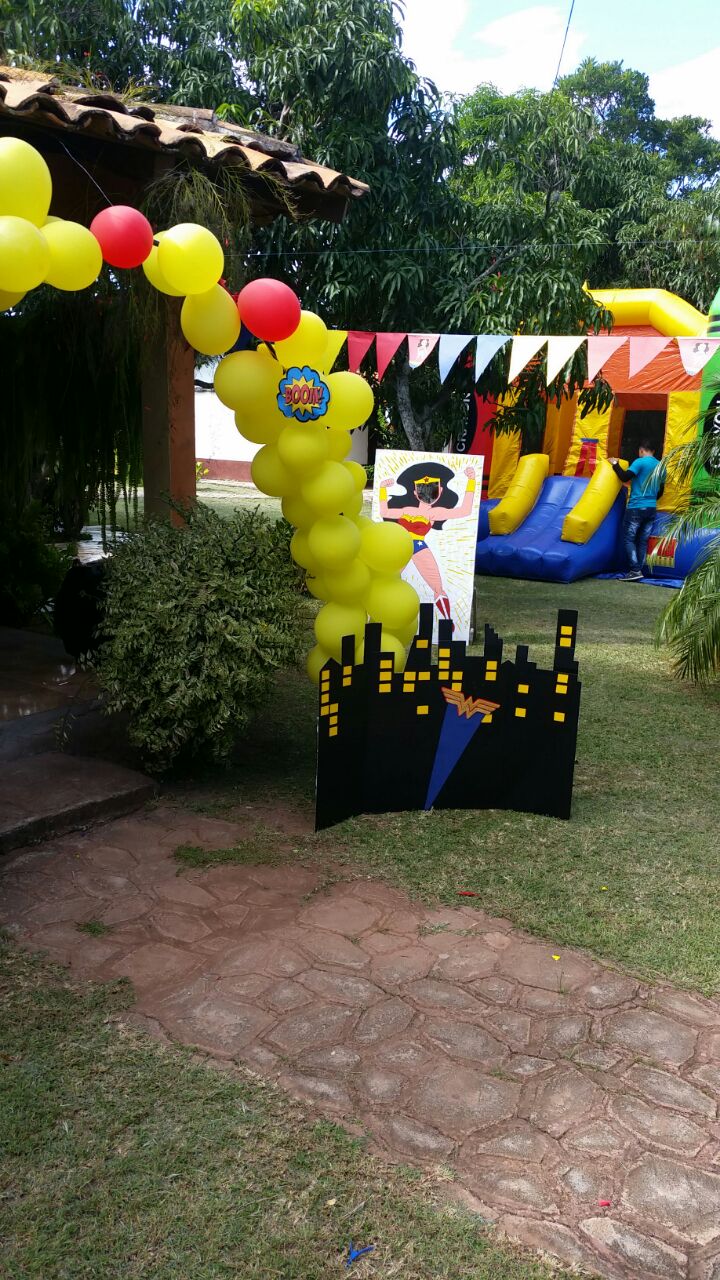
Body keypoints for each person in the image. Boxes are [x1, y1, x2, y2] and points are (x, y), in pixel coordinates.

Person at [378, 461, 476, 621]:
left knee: (437, 586)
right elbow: (384, 512)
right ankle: (380, 614)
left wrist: (471, 481)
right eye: (422, 489)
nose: (427, 493)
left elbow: (465, 511)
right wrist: (382, 489)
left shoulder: (435, 513)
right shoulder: (407, 510)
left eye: (432, 489)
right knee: (387, 580)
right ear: (415, 492)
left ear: (440, 491)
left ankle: (447, 622)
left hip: (418, 547)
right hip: (401, 547)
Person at [609, 441, 663, 581]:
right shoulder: (661, 466)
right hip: (651, 508)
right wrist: (650, 499)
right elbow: (661, 491)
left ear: (641, 450)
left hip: (636, 507)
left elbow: (624, 477)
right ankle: (639, 569)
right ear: (654, 451)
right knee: (643, 540)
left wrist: (615, 464)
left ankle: (635, 570)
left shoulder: (640, 462)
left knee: (629, 539)